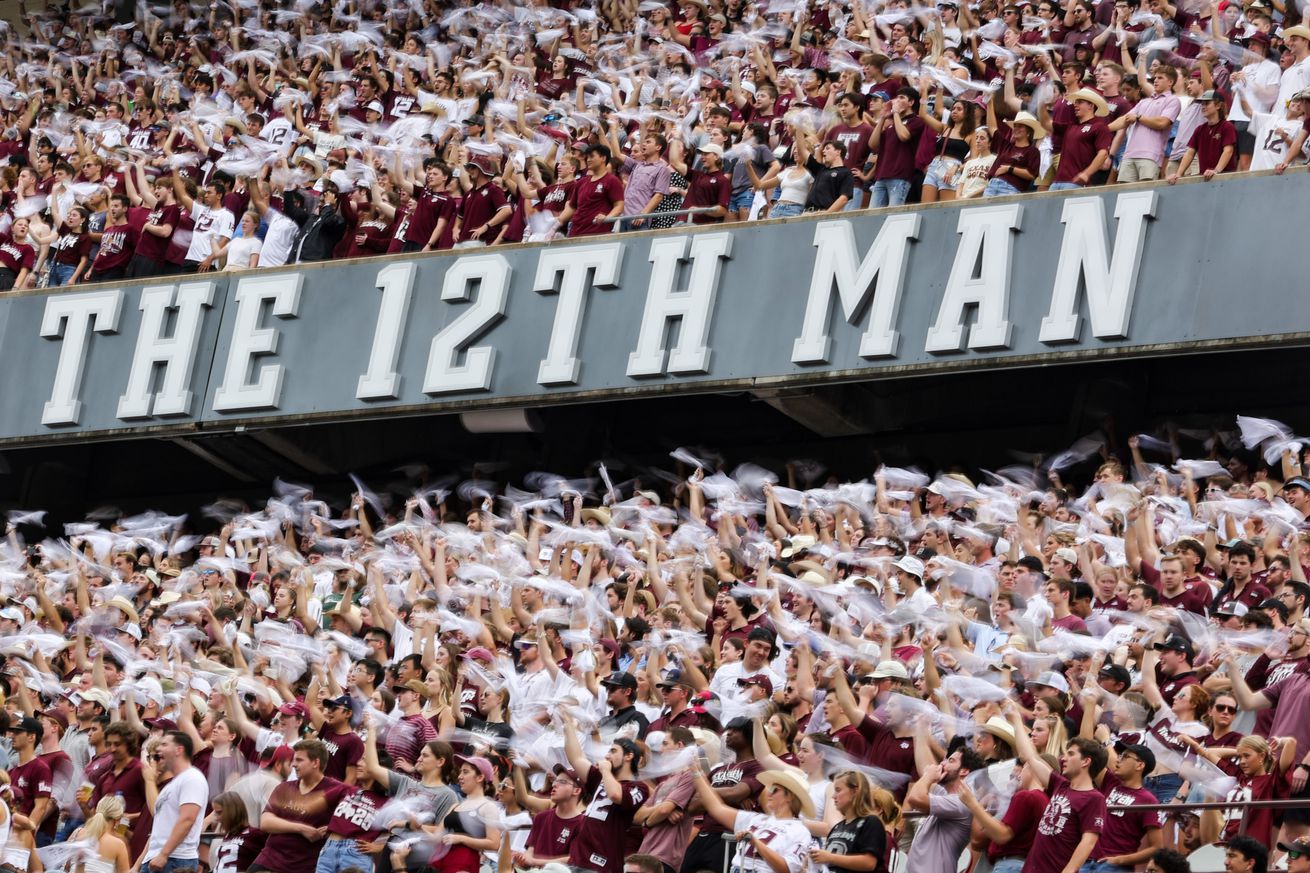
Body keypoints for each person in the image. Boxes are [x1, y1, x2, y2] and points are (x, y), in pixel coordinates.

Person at [249, 739, 352, 873]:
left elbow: (354, 819)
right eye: (293, 760)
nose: (293, 765)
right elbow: (266, 822)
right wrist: (302, 829)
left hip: (304, 865)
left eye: (299, 760)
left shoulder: (337, 790)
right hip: (269, 860)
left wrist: (332, 828)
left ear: (315, 762)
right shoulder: (284, 787)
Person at [689, 765, 813, 873]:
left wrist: (755, 842)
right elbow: (716, 807)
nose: (768, 794)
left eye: (774, 790)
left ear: (789, 796)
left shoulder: (800, 831)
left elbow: (787, 869)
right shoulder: (757, 819)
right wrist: (696, 771)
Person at [142, 731, 209, 873]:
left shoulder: (192, 777)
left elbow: (187, 819)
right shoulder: (173, 784)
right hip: (157, 857)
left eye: (164, 744)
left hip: (175, 859)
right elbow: (157, 814)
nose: (159, 750)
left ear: (179, 750)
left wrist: (164, 854)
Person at [810, 771, 888, 873]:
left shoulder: (871, 822)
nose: (833, 796)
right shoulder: (837, 827)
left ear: (855, 791)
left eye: (838, 790)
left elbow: (869, 863)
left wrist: (830, 857)